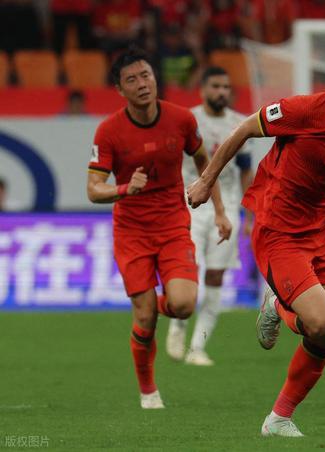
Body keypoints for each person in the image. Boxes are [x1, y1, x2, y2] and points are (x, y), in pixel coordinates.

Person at [187, 36, 325, 436]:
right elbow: (243, 129)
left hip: (321, 225)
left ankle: (278, 418)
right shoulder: (302, 110)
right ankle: (277, 306)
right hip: (278, 225)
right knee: (323, 323)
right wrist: (205, 181)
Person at [86, 46, 231, 409]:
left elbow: (204, 162)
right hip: (131, 233)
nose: (142, 84)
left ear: (154, 78)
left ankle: (148, 307)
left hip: (172, 226)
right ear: (120, 89)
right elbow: (93, 189)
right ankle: (148, 391)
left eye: (146, 75)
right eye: (131, 80)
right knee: (146, 318)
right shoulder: (108, 131)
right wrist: (124, 189)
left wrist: (219, 209)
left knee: (183, 305)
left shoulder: (181, 119)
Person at [166, 66, 254, 366]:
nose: (222, 92)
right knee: (189, 270)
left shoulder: (240, 124)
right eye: (216, 86)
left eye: (226, 87)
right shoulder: (187, 121)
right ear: (203, 89)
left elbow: (245, 171)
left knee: (215, 276)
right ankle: (177, 326)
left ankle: (198, 348)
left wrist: (249, 215)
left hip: (227, 207)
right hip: (190, 203)